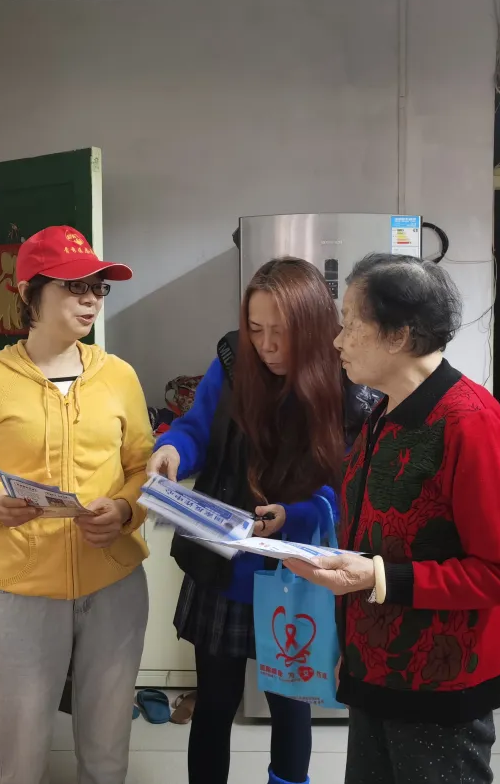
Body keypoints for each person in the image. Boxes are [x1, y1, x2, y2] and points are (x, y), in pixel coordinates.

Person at [287, 253, 500, 784]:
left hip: (440, 689)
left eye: (350, 324)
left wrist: (377, 577)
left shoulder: (471, 425)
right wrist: (353, 648)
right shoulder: (386, 411)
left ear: (398, 335)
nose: (337, 341)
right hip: (377, 673)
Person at [0, 225, 154, 784]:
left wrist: (125, 510)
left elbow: (142, 468)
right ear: (29, 294)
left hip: (113, 584)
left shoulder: (118, 376)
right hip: (24, 591)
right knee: (20, 757)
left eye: (99, 287)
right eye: (74, 286)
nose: (91, 299)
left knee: (106, 753)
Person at [147, 257, 368, 784]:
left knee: (290, 706)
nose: (266, 346)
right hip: (223, 568)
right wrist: (172, 450)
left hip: (293, 571)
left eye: (281, 332)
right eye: (255, 328)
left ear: (313, 327)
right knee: (214, 702)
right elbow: (196, 430)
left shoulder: (347, 382)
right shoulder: (231, 361)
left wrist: (295, 513)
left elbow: (350, 483)